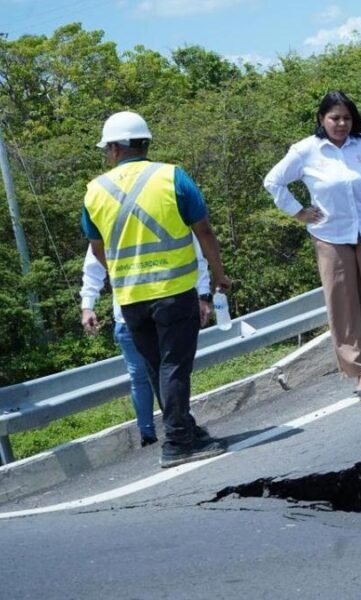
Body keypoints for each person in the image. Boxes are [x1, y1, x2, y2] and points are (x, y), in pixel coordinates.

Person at [82, 110, 231, 468]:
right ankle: (178, 442)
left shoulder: (95, 190)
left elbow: (97, 247)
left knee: (157, 367)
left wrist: (120, 273)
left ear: (116, 148)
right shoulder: (172, 177)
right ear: (144, 143)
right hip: (173, 289)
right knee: (174, 366)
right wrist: (217, 273)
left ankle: (186, 430)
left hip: (130, 297)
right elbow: (204, 231)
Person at [264, 91, 361, 401]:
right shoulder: (305, 151)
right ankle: (360, 372)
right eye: (334, 118)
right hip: (330, 235)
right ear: (321, 120)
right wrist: (298, 212)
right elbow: (273, 181)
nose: (341, 123)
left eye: (346, 117)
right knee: (343, 305)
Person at [80, 240, 212, 448]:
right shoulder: (109, 217)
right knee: (158, 372)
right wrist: (87, 304)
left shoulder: (111, 212)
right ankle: (156, 432)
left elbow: (194, 252)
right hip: (143, 312)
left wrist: (203, 292)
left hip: (152, 308)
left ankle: (179, 427)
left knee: (162, 371)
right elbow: (94, 260)